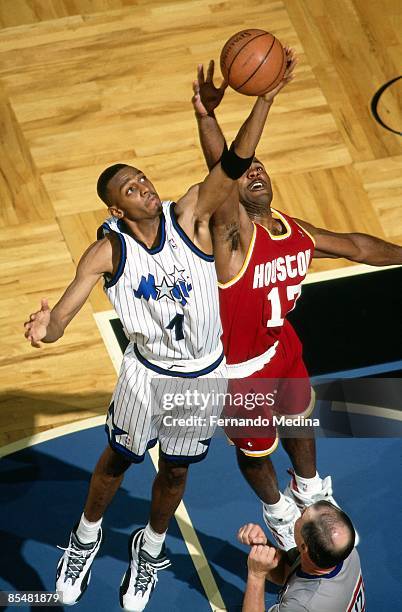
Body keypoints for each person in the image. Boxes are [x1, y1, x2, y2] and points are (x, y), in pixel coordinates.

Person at [23, 59, 295, 612]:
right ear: (114, 207)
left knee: (174, 471)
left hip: (202, 375)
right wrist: (45, 328)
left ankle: (150, 548)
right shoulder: (108, 252)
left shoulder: (191, 214)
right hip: (145, 374)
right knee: (117, 461)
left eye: (143, 178)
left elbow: (234, 164)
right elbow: (62, 317)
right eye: (131, 187)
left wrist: (260, 99)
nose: (144, 187)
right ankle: (85, 537)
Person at [192, 58, 402, 550]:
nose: (255, 172)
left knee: (299, 417)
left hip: (282, 346)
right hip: (238, 369)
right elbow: (223, 168)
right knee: (257, 451)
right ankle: (279, 511)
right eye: (245, 173)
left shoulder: (293, 230)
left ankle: (309, 488)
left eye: (261, 168)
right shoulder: (231, 238)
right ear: (234, 189)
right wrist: (216, 116)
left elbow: (357, 246)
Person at [238, 501, 365, 612]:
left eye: (301, 516)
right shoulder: (342, 550)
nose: (300, 511)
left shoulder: (303, 605)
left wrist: (256, 575)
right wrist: (263, 546)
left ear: (304, 547)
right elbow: (284, 573)